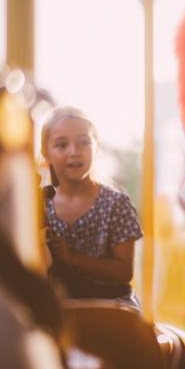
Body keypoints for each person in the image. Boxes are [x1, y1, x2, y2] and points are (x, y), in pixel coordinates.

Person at [40, 106, 142, 308]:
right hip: (59, 303)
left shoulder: (115, 203)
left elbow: (124, 271)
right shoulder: (40, 205)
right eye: (61, 145)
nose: (74, 152)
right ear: (46, 153)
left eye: (83, 142)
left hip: (109, 303)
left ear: (97, 147)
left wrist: (74, 258)